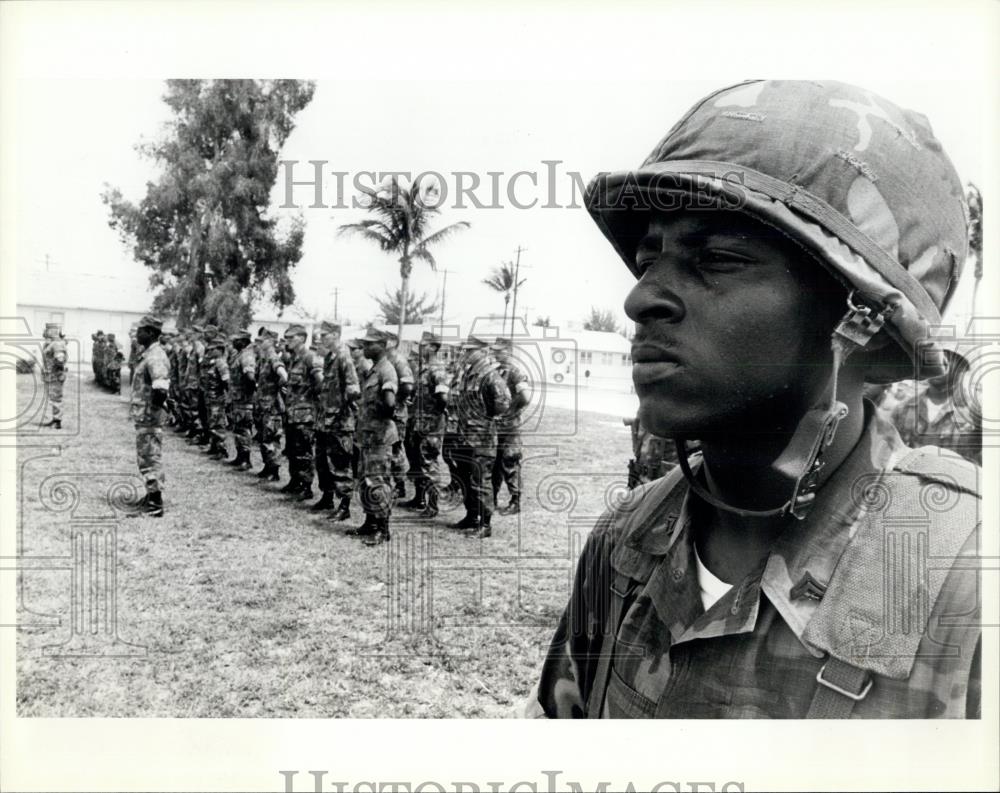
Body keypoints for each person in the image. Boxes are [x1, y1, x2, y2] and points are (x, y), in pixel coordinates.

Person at [532, 80, 981, 719]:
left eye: (716, 259)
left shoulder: (967, 578)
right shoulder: (625, 539)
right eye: (648, 259)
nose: (639, 299)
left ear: (862, 321)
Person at [450, 335, 511, 537]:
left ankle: (485, 524)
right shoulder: (470, 374)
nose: (466, 354)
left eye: (470, 350)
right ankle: (471, 516)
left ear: (482, 351)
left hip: (482, 438)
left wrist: (487, 418)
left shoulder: (490, 375)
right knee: (466, 478)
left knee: (481, 480)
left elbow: (503, 401)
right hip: (466, 436)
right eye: (466, 350)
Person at [349, 328, 399, 545]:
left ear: (383, 345)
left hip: (379, 436)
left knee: (378, 482)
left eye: (370, 344)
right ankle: (370, 522)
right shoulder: (374, 370)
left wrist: (380, 422)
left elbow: (389, 404)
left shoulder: (386, 370)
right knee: (366, 480)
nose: (366, 348)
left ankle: (382, 528)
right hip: (368, 436)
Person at [889, 348, 982, 465]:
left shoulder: (975, 415)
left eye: (948, 358)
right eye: (934, 356)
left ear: (962, 369)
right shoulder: (903, 408)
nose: (938, 362)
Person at [312, 321, 360, 518]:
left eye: (325, 335)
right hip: (325, 420)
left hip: (340, 421)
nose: (321, 338)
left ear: (335, 334)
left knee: (340, 464)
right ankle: (327, 496)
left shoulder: (344, 357)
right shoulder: (330, 357)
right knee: (322, 461)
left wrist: (345, 407)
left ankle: (345, 506)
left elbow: (353, 387)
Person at [401, 331, 450, 517]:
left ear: (432, 347)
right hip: (418, 424)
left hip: (430, 426)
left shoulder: (437, 370)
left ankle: (433, 504)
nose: (419, 347)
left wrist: (433, 415)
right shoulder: (424, 368)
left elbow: (443, 398)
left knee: (429, 464)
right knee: (416, 461)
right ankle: (419, 498)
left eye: (424, 344)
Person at [126, 315, 170, 518]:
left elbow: (161, 388)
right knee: (146, 456)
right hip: (145, 415)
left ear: (151, 333)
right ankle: (151, 495)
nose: (137, 334)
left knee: (150, 456)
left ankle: (155, 503)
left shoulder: (155, 356)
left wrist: (153, 411)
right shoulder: (148, 354)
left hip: (149, 416)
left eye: (141, 331)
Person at [489, 337, 531, 515]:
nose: (496, 353)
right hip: (496, 426)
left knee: (510, 461)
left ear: (509, 351)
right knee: (495, 463)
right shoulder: (496, 371)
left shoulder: (516, 373)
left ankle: (515, 501)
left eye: (500, 350)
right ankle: (492, 498)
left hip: (510, 427)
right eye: (495, 350)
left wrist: (509, 410)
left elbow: (525, 397)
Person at [281, 324, 324, 499]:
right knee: (292, 449)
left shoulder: (309, 358)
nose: (288, 341)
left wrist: (312, 399)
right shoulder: (294, 359)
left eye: (291, 338)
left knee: (304, 451)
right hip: (292, 413)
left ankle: (306, 486)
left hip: (304, 415)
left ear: (301, 338)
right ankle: (295, 480)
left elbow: (320, 383)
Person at [383, 331, 415, 500]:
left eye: (386, 340)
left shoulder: (399, 360)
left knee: (396, 448)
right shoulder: (386, 359)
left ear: (393, 342)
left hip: (396, 413)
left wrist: (397, 401)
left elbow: (408, 385)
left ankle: (400, 485)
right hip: (387, 411)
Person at [253, 329, 287, 481]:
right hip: (263, 404)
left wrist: (278, 386)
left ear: (271, 342)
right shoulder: (263, 359)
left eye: (263, 340)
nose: (260, 343)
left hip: (271, 405)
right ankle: (267, 467)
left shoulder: (273, 357)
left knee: (271, 438)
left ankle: (274, 470)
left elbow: (283, 375)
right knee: (264, 438)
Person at [227, 330, 258, 470]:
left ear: (244, 341)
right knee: (238, 428)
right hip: (237, 398)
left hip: (244, 399)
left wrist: (249, 392)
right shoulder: (239, 354)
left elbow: (250, 377)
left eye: (237, 340)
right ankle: (240, 456)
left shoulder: (247, 355)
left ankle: (246, 459)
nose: (234, 342)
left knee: (244, 428)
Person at [202, 334, 231, 460]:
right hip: (210, 398)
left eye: (213, 349)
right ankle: (214, 446)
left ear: (220, 350)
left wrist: (228, 396)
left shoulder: (221, 364)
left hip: (217, 399)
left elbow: (226, 381)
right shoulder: (213, 363)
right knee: (212, 423)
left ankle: (221, 449)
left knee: (218, 424)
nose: (210, 351)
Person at [41, 322, 68, 429]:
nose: (45, 332)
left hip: (56, 375)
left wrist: (57, 369)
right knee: (53, 398)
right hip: (51, 375)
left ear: (53, 331)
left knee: (56, 398)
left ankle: (57, 421)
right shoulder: (52, 343)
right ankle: (55, 419)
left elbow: (60, 359)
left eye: (47, 330)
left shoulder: (57, 343)